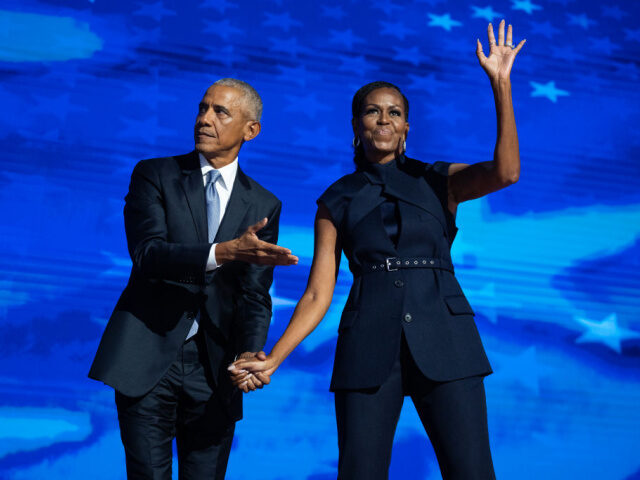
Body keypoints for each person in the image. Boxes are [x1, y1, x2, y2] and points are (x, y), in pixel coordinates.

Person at [230, 21, 525, 479]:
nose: (383, 120)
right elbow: (316, 294)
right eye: (373, 111)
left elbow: (506, 173)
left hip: (447, 341)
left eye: (394, 112)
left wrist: (500, 85)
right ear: (357, 124)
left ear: (407, 125)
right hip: (367, 348)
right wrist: (274, 357)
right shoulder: (336, 199)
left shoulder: (438, 180)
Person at [89, 78, 298, 479]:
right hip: (148, 357)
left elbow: (254, 295)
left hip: (216, 368)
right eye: (203, 108)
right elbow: (147, 254)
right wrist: (225, 252)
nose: (205, 119)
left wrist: (250, 353)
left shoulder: (264, 203)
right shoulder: (156, 174)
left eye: (221, 112)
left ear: (250, 130)